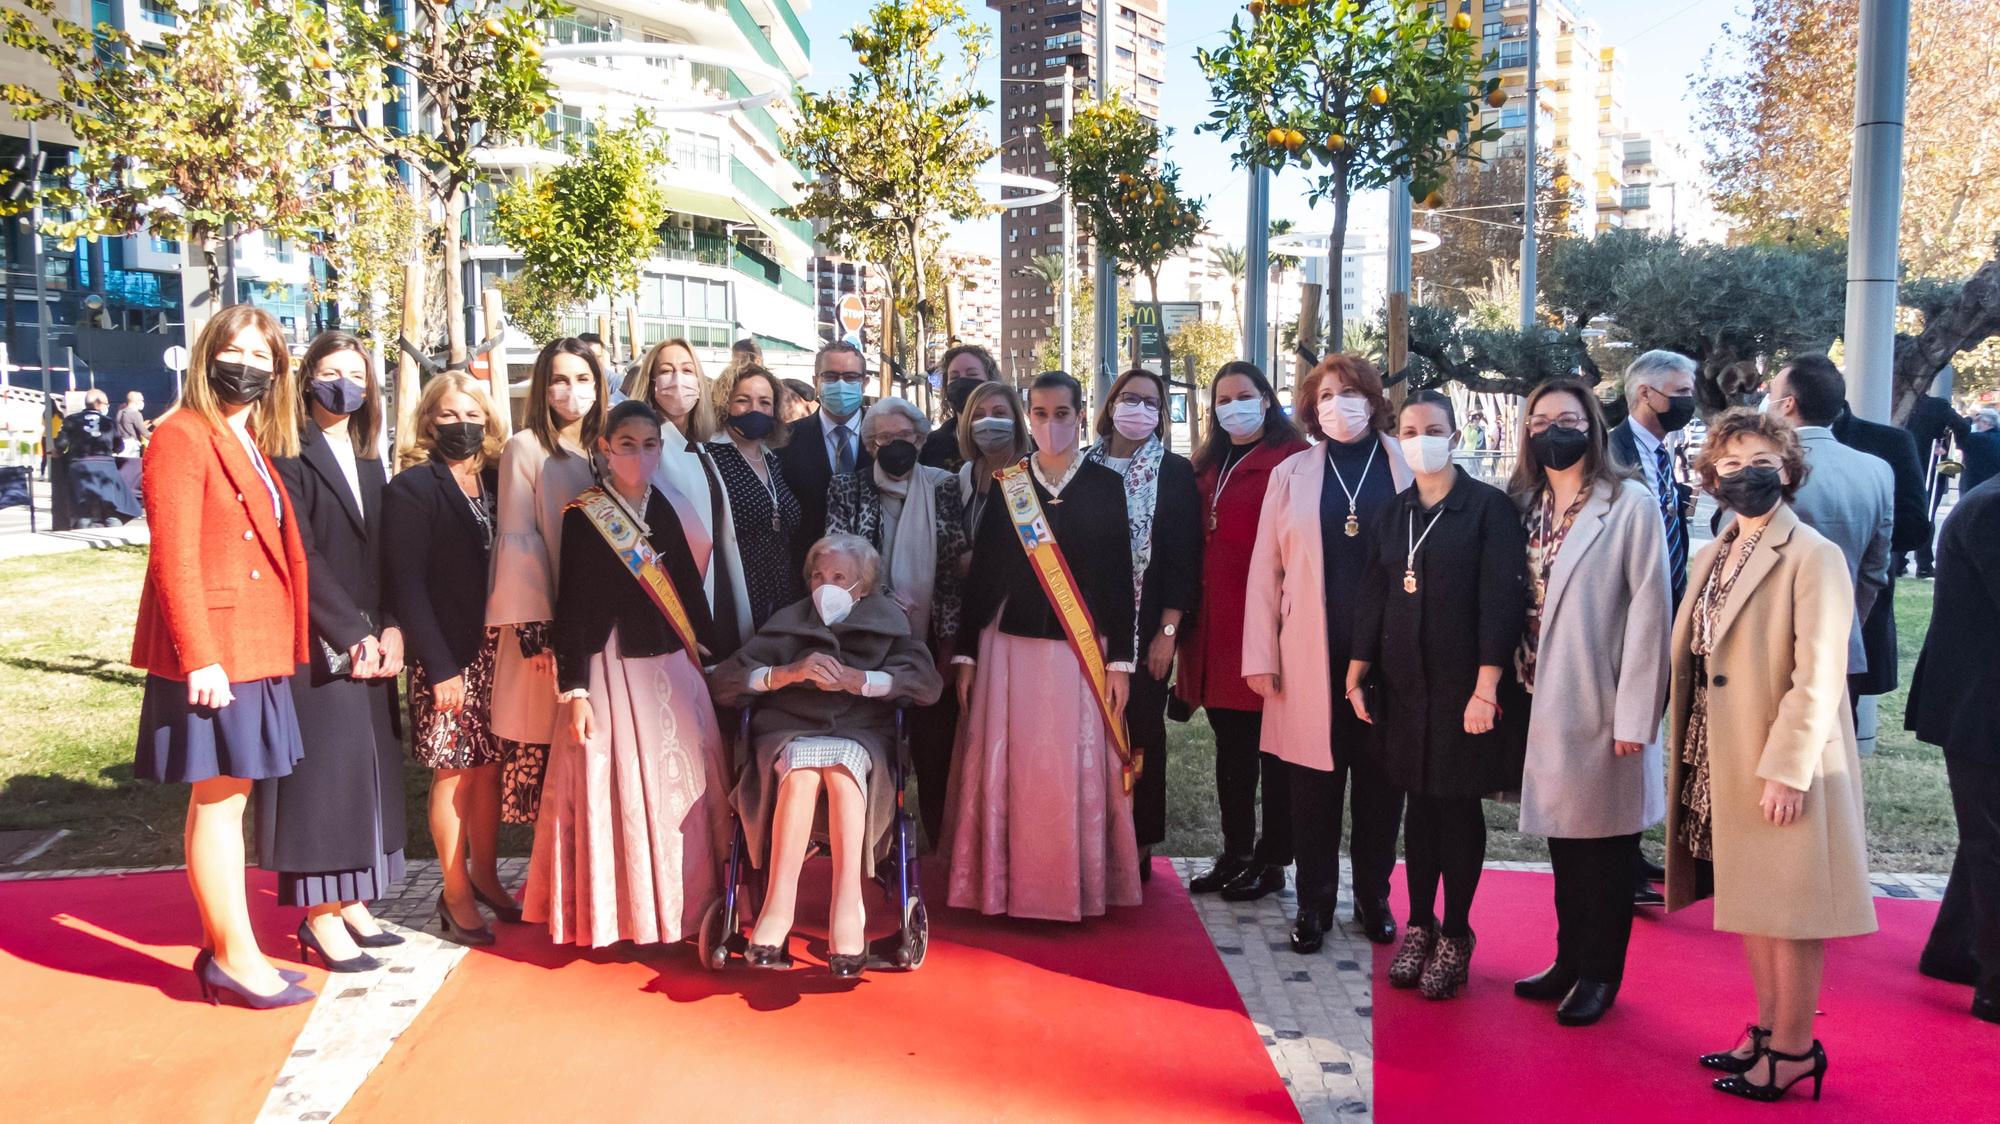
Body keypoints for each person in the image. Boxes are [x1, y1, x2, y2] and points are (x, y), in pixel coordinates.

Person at [1666, 409, 1876, 1100]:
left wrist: (1786, 769)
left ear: (1787, 470)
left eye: (1759, 461)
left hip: (1779, 760)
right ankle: (1765, 1029)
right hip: (1717, 752)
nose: (1742, 474)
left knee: (1790, 910)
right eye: (1728, 464)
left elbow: (1818, 676)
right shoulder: (1716, 549)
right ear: (1711, 479)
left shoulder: (1813, 554)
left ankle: (1792, 1049)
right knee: (1753, 901)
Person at [130, 304, 314, 1008]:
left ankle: (229, 950)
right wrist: (200, 656)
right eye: (236, 352)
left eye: (264, 360)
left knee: (232, 800)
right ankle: (235, 958)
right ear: (208, 354)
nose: (249, 367)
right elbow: (172, 558)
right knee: (219, 802)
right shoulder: (182, 435)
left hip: (253, 650)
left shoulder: (249, 443)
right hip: (217, 656)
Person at [522, 400, 731, 947]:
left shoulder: (664, 505)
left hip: (670, 662)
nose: (639, 455)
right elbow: (576, 605)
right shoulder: (586, 514)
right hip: (614, 669)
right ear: (604, 449)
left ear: (662, 450)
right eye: (628, 445)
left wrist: (713, 652)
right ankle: (623, 914)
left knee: (686, 783)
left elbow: (685, 585)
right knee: (620, 789)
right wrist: (576, 690)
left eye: (650, 445)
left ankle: (688, 908)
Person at [1348, 390, 1528, 1000]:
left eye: (1432, 428)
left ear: (1453, 436)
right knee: (1417, 808)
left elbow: (1500, 603)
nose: (1419, 437)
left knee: (1454, 807)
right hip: (1403, 686)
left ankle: (1456, 931)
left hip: (1461, 688)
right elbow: (1374, 593)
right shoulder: (1393, 511)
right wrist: (1356, 670)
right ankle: (1419, 923)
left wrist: (1486, 688)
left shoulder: (1487, 509)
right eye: (1408, 429)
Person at [1504, 378, 1670, 1027]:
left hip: (1601, 702)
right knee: (1565, 843)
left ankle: (1601, 973)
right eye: (1540, 419)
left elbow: (1651, 614)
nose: (1553, 429)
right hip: (1538, 696)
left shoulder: (1628, 503)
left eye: (1567, 417)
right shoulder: (1525, 502)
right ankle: (1569, 959)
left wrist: (1636, 717)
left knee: (1605, 851)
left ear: (1593, 426)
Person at [944, 371, 1140, 921]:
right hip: (1012, 648)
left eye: (1061, 413)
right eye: (1039, 414)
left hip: (1082, 648)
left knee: (1072, 768)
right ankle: (1007, 884)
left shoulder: (1105, 485)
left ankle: (1074, 884)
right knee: (1014, 767)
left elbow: (1119, 578)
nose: (1050, 424)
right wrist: (965, 654)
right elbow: (984, 574)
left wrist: (1120, 661)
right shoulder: (1010, 483)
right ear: (1028, 418)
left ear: (1081, 416)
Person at [711, 535, 945, 975]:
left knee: (841, 772)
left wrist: (867, 680)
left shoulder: (889, 624)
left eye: (839, 577)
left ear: (864, 585)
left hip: (860, 732)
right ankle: (777, 910)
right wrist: (783, 674)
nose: (826, 585)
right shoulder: (787, 623)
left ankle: (848, 908)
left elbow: (927, 685)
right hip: (790, 728)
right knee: (799, 777)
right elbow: (726, 681)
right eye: (818, 576)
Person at [1243, 354, 1412, 953]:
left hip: (1388, 657)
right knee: (1311, 785)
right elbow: (1265, 569)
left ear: (1373, 398)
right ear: (1312, 409)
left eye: (1350, 392)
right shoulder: (1292, 473)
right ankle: (1313, 903)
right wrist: (1260, 656)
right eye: (1325, 395)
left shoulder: (1406, 463)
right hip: (1309, 654)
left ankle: (1372, 894)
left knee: (1380, 783)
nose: (1338, 404)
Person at [257, 331, 407, 972]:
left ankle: (352, 901)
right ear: (307, 377)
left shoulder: (370, 453)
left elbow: (390, 551)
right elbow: (301, 554)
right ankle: (319, 917)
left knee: (365, 772)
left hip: (373, 638)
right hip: (321, 641)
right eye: (330, 370)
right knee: (324, 779)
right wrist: (354, 632)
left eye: (356, 372)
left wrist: (395, 626)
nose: (343, 383)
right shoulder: (288, 452)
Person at [383, 374, 507, 946]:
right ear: (430, 422)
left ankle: (485, 875)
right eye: (450, 416)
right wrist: (439, 666)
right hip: (447, 654)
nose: (463, 426)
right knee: (454, 769)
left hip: (496, 649)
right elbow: (406, 585)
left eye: (473, 414)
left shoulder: (497, 483)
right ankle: (454, 893)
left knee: (489, 768)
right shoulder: (413, 488)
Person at [1177, 361, 1308, 901]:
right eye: (1222, 397)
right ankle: (1235, 852)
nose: (1233, 405)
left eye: (1244, 395)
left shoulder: (1293, 460)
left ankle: (1273, 859)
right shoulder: (1204, 464)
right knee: (1230, 753)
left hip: (1267, 630)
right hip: (1212, 631)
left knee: (1273, 756)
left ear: (1267, 399)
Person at [825, 396, 970, 846]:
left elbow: (951, 569)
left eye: (903, 437)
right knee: (876, 745)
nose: (893, 445)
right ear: (869, 445)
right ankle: (870, 845)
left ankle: (939, 843)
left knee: (934, 749)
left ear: (921, 439)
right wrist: (884, 604)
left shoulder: (944, 486)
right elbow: (837, 564)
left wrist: (947, 647)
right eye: (883, 437)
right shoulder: (845, 489)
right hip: (865, 640)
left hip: (930, 639)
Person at [1086, 368, 1201, 881]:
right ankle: (1091, 833)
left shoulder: (1172, 471)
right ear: (1110, 404)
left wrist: (1168, 631)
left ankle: (1138, 841)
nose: (1138, 409)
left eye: (1151, 402)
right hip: (1084, 626)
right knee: (1088, 734)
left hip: (1147, 627)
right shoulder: (1082, 465)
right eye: (1128, 398)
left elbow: (1183, 556)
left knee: (1142, 733)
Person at [487, 339, 606, 830]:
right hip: (547, 627)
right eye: (559, 379)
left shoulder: (606, 448)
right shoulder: (527, 448)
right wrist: (537, 633)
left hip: (602, 628)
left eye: (582, 379)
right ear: (543, 386)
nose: (570, 390)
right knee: (548, 758)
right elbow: (519, 540)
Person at [1909, 476, 2000, 1025]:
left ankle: (1951, 950)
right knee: (1992, 845)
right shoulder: (1993, 507)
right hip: (1980, 704)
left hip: (1979, 701)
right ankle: (1995, 987)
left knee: (1985, 841)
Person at [1609, 349, 1698, 906]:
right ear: (1645, 393)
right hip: (1624, 621)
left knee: (1646, 735)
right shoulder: (1610, 451)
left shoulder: (1665, 454)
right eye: (1680, 391)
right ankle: (1619, 861)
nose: (1689, 401)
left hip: (1668, 617)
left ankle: (1632, 846)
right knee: (1623, 737)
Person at [1761, 357, 1894, 701]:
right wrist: (1848, 623)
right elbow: (1875, 571)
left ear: (1787, 404)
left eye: (1772, 392)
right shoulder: (1877, 471)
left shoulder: (1765, 468)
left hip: (1767, 648)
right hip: (1842, 644)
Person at [1820, 356, 1927, 710]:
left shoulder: (1888, 443)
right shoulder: (1765, 444)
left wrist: (1860, 539)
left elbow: (1913, 527)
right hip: (1775, 612)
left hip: (1857, 599)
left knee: (1838, 729)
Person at [627, 337, 744, 656]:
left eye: (687, 369)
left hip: (716, 586)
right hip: (676, 592)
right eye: (666, 370)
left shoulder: (701, 444)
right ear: (651, 382)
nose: (678, 380)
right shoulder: (646, 445)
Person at [708, 364, 804, 633]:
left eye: (764, 402)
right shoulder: (708, 457)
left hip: (781, 590)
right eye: (742, 400)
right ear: (724, 404)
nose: (755, 409)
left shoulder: (772, 458)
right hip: (736, 590)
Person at [776, 341, 872, 565]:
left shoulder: (885, 437)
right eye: (830, 376)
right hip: (807, 574)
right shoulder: (785, 441)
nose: (840, 384)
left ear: (864, 383)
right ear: (815, 382)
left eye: (850, 377)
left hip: (873, 577)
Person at [1901, 389, 1970, 577]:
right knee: (1927, 513)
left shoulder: (1899, 403)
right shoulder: (1937, 405)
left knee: (1904, 510)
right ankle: (1924, 563)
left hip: (1903, 466)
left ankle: (1899, 561)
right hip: (1929, 466)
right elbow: (1963, 427)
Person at [954, 380, 1032, 540]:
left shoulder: (1032, 471)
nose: (988, 422)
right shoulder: (967, 473)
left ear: (1015, 420)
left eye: (999, 413)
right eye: (978, 415)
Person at [57, 388, 136, 528]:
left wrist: (58, 451)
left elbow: (61, 444)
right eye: (106, 403)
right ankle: (115, 533)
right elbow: (119, 447)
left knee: (83, 509)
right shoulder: (108, 422)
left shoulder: (71, 419)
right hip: (105, 467)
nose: (107, 406)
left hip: (79, 465)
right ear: (99, 403)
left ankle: (82, 533)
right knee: (110, 507)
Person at [921, 344, 997, 470]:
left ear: (990, 381)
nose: (962, 383)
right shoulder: (931, 446)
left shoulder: (1010, 438)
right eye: (955, 377)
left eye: (972, 374)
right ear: (946, 387)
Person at [114, 390, 149, 501]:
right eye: (142, 400)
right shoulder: (135, 414)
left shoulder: (120, 412)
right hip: (132, 445)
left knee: (122, 472)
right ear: (136, 401)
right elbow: (144, 433)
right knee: (132, 474)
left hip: (121, 444)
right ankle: (130, 498)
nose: (143, 402)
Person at [1959, 408, 2000, 494]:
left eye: (1978, 421)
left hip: (1975, 490)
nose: (1976, 424)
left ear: (1986, 422)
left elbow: (1959, 432)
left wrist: (1969, 419)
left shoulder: (1976, 439)